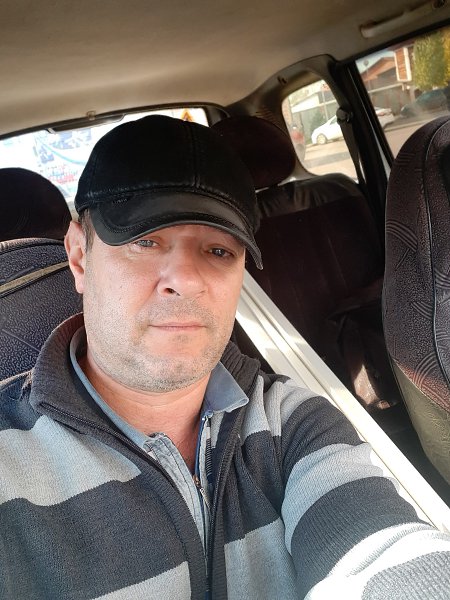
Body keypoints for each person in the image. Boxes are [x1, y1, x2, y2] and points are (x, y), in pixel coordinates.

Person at [0, 115, 449, 600]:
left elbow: (383, 553)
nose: (187, 279)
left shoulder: (296, 424)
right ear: (79, 256)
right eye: (145, 241)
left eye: (218, 251)